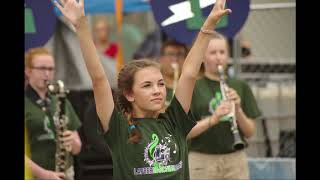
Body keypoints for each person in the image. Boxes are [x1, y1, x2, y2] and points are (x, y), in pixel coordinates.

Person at [54, 0, 231, 179]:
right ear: (129, 94)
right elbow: (99, 80)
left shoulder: (174, 120)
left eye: (161, 84)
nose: (157, 90)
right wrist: (81, 26)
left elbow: (189, 74)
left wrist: (208, 25)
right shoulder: (119, 127)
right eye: (147, 85)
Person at [187, 32, 262, 180]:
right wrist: (213, 119)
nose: (218, 57)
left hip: (235, 159)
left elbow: (249, 132)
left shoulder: (240, 85)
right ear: (202, 57)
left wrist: (238, 109)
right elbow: (186, 132)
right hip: (202, 160)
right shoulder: (193, 87)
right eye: (213, 52)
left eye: (222, 52)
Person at [25, 47, 82, 180]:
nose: (47, 74)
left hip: (65, 174)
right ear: (28, 71)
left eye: (51, 69)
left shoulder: (61, 100)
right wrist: (44, 175)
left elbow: (77, 147)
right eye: (42, 69)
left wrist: (73, 142)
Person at [158, 40, 189, 106]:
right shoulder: (154, 87)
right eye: (170, 54)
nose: (175, 59)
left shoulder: (191, 87)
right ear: (161, 59)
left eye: (180, 54)